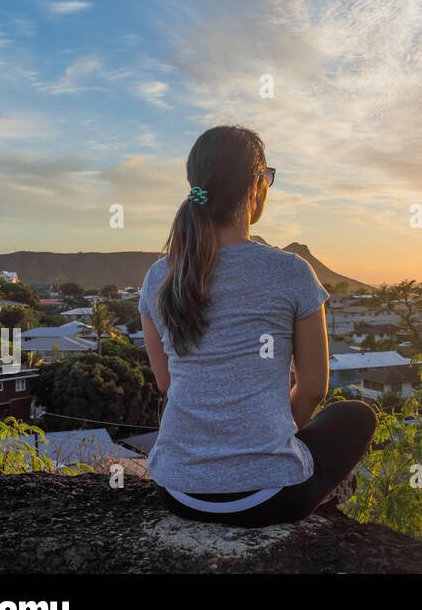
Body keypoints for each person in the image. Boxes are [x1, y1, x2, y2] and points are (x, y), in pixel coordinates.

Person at [138, 125, 377, 527]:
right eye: (267, 176)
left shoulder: (159, 276)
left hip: (178, 490)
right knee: (356, 416)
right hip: (267, 498)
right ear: (255, 184)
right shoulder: (290, 272)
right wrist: (267, 438)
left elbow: (167, 384)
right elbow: (314, 388)